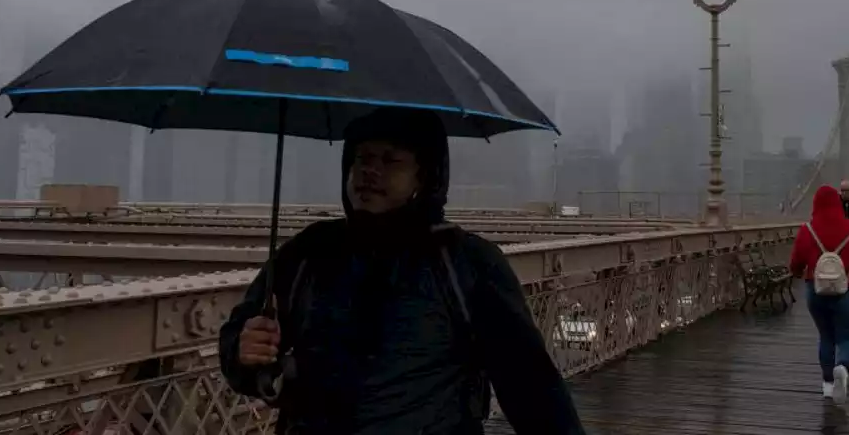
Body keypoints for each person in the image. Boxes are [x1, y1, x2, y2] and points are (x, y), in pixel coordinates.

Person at [219, 108, 585, 435]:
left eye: (390, 160)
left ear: (424, 178)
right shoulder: (310, 251)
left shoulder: (465, 262)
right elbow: (244, 346)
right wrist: (244, 351)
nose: (369, 171)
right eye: (361, 158)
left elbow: (530, 386)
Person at [789, 184, 849, 405]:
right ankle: (843, 366)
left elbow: (796, 262)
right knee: (847, 337)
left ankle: (827, 385)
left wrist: (799, 273)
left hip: (815, 291)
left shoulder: (807, 229)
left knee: (826, 337)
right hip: (847, 290)